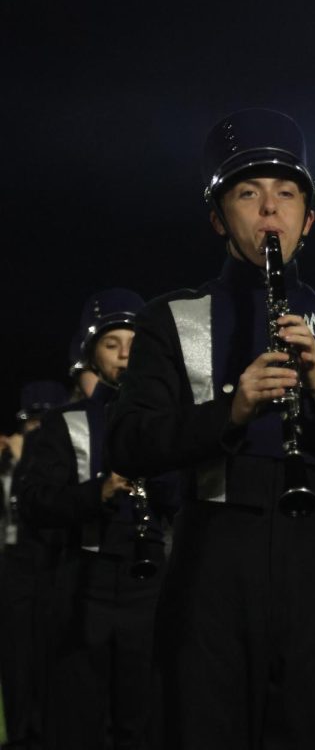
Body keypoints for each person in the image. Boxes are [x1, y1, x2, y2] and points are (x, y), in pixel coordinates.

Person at [107, 108, 315, 749]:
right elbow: (129, 445)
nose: (269, 210)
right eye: (248, 194)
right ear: (220, 218)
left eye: (286, 194)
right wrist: (233, 409)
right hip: (209, 561)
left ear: (309, 218)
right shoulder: (173, 318)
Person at [18, 288, 176, 749]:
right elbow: (35, 503)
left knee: (144, 723)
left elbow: (184, 501)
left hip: (148, 588)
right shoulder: (62, 424)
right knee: (77, 723)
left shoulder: (165, 420)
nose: (126, 355)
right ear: (92, 353)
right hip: (81, 585)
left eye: (134, 343)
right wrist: (100, 492)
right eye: (112, 345)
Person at [0, 380, 69, 749]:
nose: (35, 429)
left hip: (49, 558)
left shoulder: (59, 452)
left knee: (47, 646)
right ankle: (18, 727)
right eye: (30, 421)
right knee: (14, 650)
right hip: (13, 560)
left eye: (43, 421)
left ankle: (44, 726)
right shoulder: (8, 457)